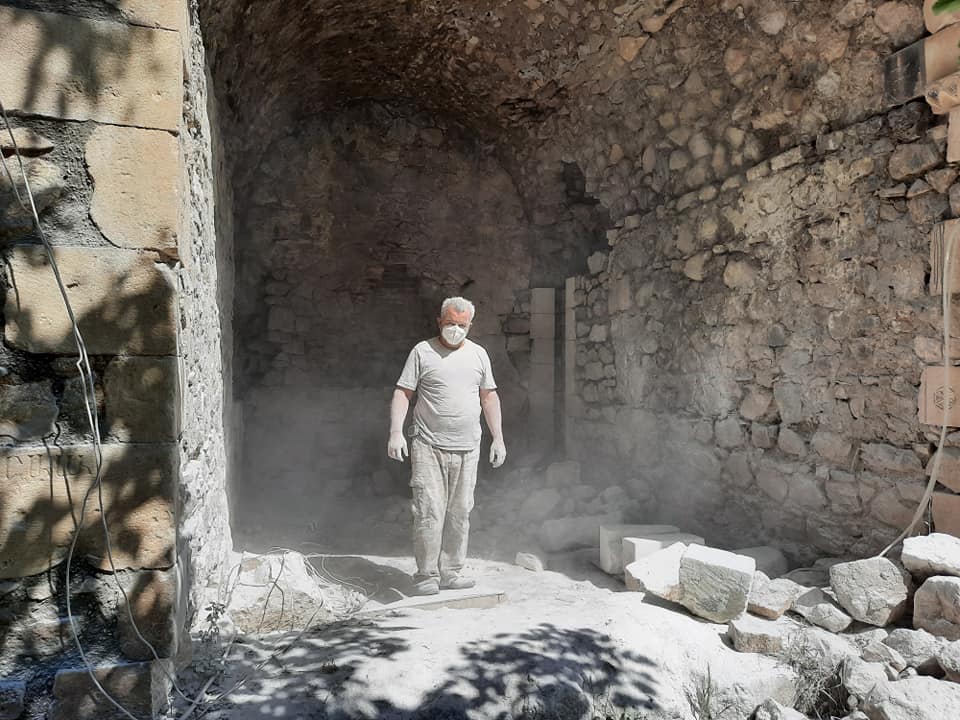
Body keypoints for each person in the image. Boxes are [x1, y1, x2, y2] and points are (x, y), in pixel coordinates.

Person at [387, 297, 507, 595]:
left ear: (470, 325)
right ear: (439, 321)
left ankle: (451, 572)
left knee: (460, 512)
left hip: (468, 447)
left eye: (462, 325)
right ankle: (426, 575)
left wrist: (498, 438)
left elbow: (489, 397)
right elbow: (403, 392)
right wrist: (396, 433)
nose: (456, 329)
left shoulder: (478, 355)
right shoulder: (422, 352)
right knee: (429, 511)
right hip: (428, 445)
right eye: (450, 323)